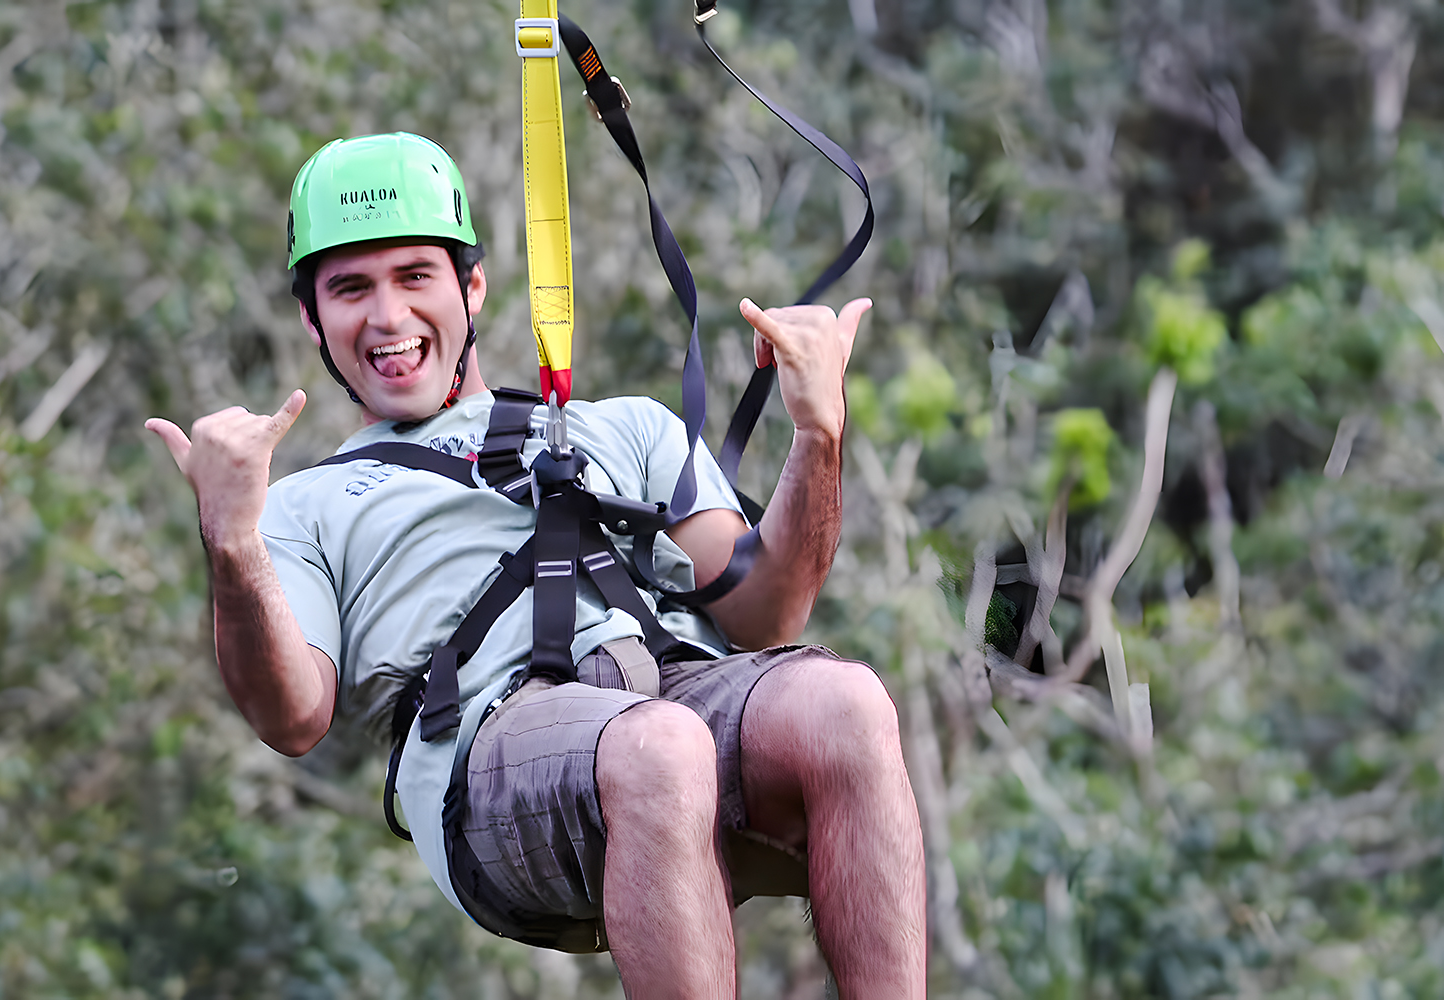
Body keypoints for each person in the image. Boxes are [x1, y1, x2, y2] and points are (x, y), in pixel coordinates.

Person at [146, 132, 925, 997]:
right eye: (351, 288)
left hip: (668, 697)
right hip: (491, 763)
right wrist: (233, 540)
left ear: (471, 287)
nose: (388, 317)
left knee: (847, 703)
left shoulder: (625, 428)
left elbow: (765, 618)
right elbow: (290, 715)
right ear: (312, 319)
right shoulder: (302, 506)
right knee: (661, 749)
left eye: (414, 277)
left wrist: (819, 434)